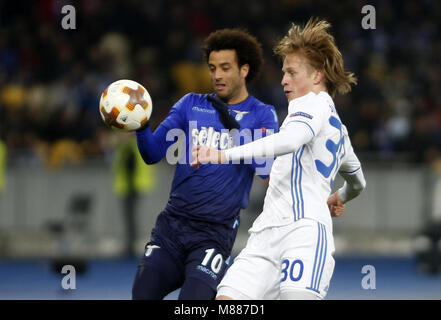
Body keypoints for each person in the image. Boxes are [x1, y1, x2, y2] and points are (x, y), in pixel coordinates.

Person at [191, 18, 366, 300]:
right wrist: (340, 197)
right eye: (284, 72)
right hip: (266, 233)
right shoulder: (340, 131)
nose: (284, 79)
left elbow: (289, 141)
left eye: (292, 72)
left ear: (317, 75)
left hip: (304, 233)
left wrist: (222, 154)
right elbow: (359, 183)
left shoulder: (311, 105)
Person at [131, 29, 279, 300]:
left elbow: (268, 172)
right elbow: (152, 153)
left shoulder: (262, 115)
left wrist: (237, 135)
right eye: (212, 68)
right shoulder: (190, 104)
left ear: (244, 70)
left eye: (225, 68)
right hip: (171, 229)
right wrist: (140, 125)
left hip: (214, 235)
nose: (217, 75)